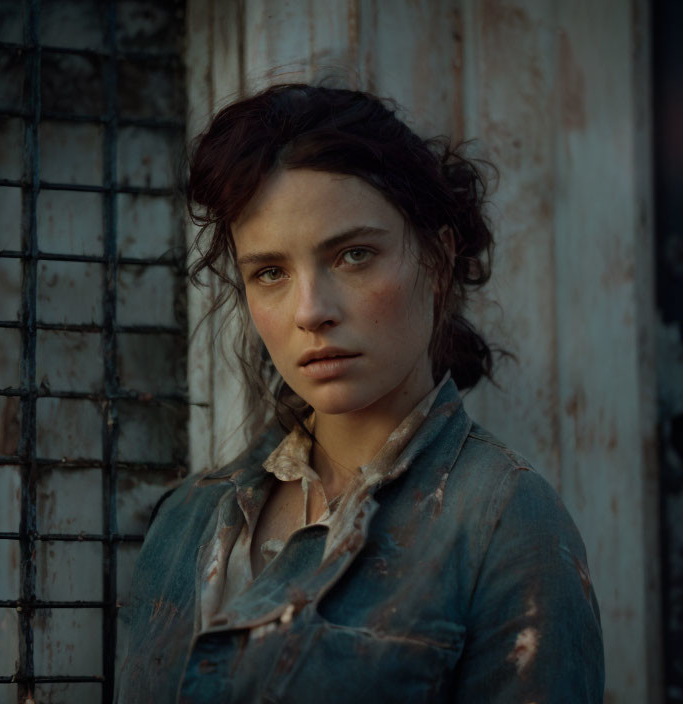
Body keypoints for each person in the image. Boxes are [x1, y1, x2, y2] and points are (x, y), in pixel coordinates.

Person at [117, 84, 604, 703]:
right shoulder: (186, 520)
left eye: (353, 255)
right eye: (270, 272)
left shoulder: (502, 522)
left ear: (437, 260)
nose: (311, 311)